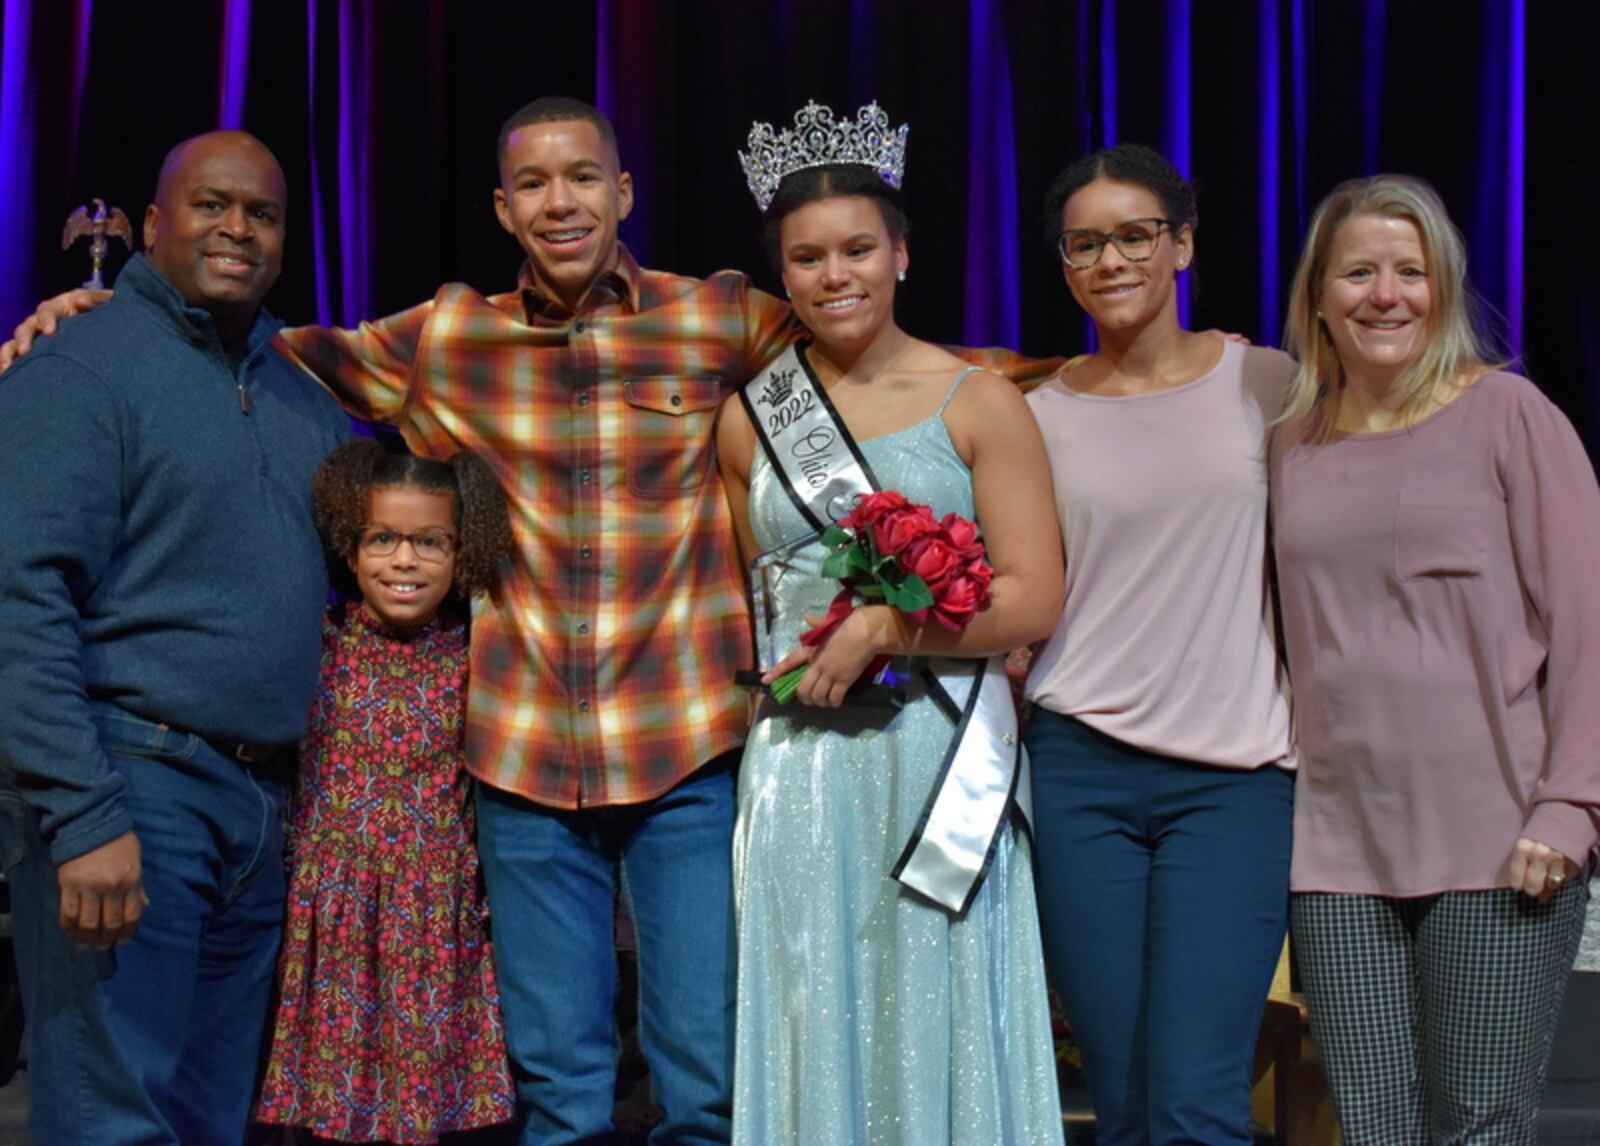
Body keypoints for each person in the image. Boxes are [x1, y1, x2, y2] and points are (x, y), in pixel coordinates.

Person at [0, 96, 1048, 1144]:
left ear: (623, 192)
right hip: (521, 759)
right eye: (535, 184)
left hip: (683, 748)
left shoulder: (721, 316)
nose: (562, 201)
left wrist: (1108, 371)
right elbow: (267, 352)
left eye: (583, 177)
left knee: (704, 1084)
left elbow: (873, 350)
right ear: (504, 208)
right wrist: (104, 308)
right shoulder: (446, 336)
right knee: (559, 1092)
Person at [715, 102, 1066, 1144]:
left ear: (902, 253)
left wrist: (887, 630)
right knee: (808, 1004)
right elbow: (766, 599)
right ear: (784, 276)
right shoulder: (751, 418)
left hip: (939, 754)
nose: (836, 276)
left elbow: (1034, 597)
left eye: (858, 249)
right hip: (802, 767)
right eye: (809, 258)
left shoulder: (979, 399)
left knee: (941, 1010)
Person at [0, 132, 350, 1145]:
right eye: (211, 205)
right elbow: (20, 597)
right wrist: (81, 811)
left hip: (260, 807)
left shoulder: (301, 392)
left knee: (208, 1120)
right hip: (132, 785)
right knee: (114, 1112)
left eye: (263, 213)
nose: (237, 227)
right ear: (154, 224)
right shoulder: (79, 366)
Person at [1272, 173, 1600, 1144]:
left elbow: (1586, 621)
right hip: (1332, 845)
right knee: (1367, 1123)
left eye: (1409, 273)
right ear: (1319, 297)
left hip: (1498, 836)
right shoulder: (1292, 441)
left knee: (1479, 1121)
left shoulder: (1511, 417)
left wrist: (1570, 802)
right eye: (1359, 272)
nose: (1385, 294)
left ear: (1443, 289)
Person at [1021, 144, 1296, 1145]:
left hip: (1231, 778)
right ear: (1063, 263)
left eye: (1135, 235)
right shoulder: (1036, 414)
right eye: (1084, 243)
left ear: (1180, 244)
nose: (1111, 260)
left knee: (1195, 1101)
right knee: (1125, 1099)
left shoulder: (1265, 384)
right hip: (1078, 770)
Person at [255, 440, 516, 1143]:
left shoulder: (479, 655)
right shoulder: (316, 643)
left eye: (431, 541)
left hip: (431, 921)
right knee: (324, 1117)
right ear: (349, 543)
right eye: (383, 539)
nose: (405, 561)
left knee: (423, 1112)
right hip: (330, 917)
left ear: (465, 550)